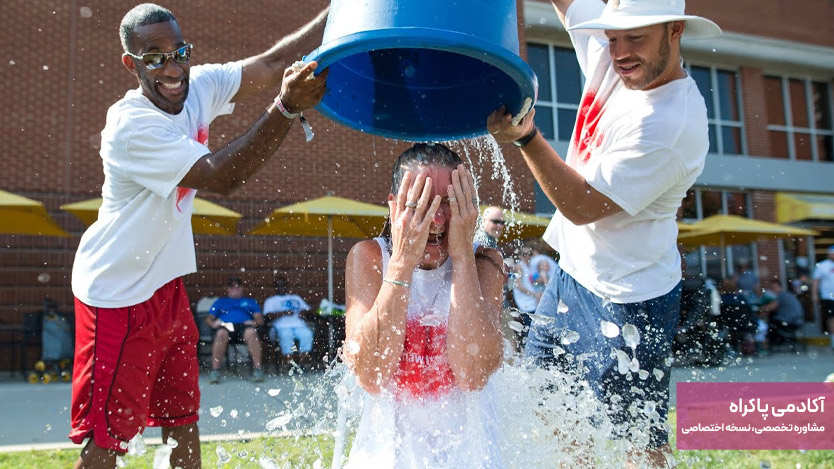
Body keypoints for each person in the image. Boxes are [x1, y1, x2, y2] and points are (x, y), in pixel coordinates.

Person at [68, 3, 328, 467]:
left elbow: (273, 64)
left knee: (183, 419)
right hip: (116, 294)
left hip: (165, 287)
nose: (172, 69)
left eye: (179, 53)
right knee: (110, 436)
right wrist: (286, 108)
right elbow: (220, 177)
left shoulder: (197, 86)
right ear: (131, 64)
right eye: (155, 58)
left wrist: (347, 9)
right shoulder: (131, 126)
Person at [487, 0, 720, 464]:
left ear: (675, 30)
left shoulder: (672, 122)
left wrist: (526, 138)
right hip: (571, 277)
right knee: (549, 406)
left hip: (631, 296)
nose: (619, 52)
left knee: (639, 440)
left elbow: (582, 206)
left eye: (635, 38)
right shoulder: (615, 56)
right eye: (613, 38)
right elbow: (570, 5)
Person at [342, 143, 505, 467]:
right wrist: (402, 261)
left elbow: (472, 376)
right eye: (422, 202)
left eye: (449, 202)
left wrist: (462, 257)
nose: (438, 217)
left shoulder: (484, 263)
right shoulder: (370, 258)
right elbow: (371, 374)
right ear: (394, 206)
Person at [206, 277, 266, 383]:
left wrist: (254, 322)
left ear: (242, 288)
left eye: (237, 286)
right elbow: (209, 319)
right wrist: (214, 324)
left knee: (252, 333)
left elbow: (260, 320)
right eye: (232, 287)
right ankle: (215, 370)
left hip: (244, 327)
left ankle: (258, 369)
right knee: (220, 334)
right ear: (227, 289)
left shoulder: (250, 301)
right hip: (226, 326)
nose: (235, 289)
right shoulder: (220, 302)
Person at [263, 275, 315, 370]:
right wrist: (283, 313)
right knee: (286, 336)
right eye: (278, 285)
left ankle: (301, 364)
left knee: (307, 335)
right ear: (275, 287)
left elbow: (309, 310)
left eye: (283, 285)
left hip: (299, 325)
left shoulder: (295, 298)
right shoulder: (271, 301)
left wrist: (303, 312)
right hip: (281, 327)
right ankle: (291, 365)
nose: (281, 288)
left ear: (286, 286)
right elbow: (267, 316)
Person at [759, 279, 804, 349]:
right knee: (774, 320)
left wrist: (760, 308)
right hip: (798, 322)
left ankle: (768, 345)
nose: (773, 290)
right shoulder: (788, 295)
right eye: (772, 288)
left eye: (774, 287)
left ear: (780, 287)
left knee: (771, 322)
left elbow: (770, 307)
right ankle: (776, 343)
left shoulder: (781, 296)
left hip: (789, 322)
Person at [812, 246, 834, 351]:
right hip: (828, 296)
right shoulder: (822, 265)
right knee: (832, 318)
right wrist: (814, 294)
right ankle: (833, 339)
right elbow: (816, 281)